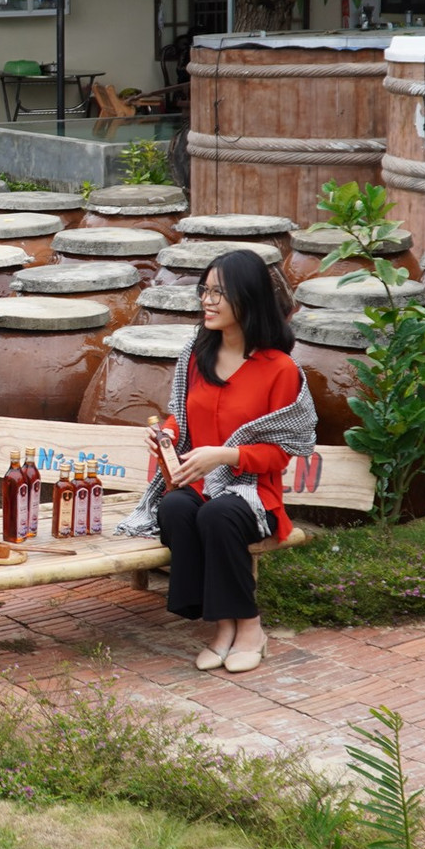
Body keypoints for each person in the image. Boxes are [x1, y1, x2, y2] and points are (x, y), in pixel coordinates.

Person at [116, 248, 316, 674]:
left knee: (218, 515)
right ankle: (222, 625)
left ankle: (249, 627)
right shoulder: (196, 355)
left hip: (252, 494)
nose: (207, 301)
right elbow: (182, 416)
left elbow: (282, 451)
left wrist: (226, 455)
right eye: (204, 291)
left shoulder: (280, 370)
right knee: (174, 506)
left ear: (248, 298)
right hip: (198, 484)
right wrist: (167, 435)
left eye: (218, 293)